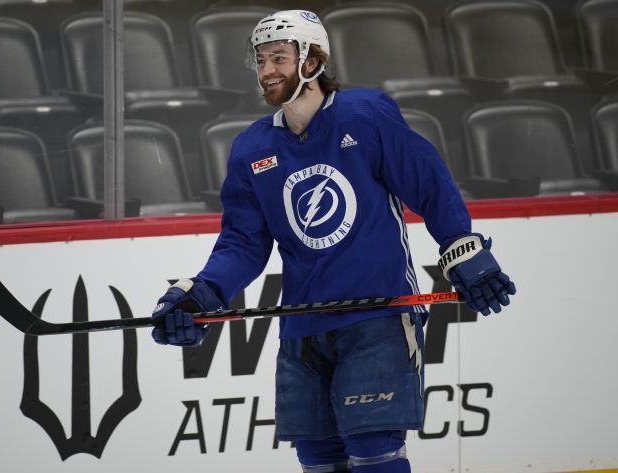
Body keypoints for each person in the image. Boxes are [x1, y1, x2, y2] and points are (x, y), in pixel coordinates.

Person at [151, 9, 516, 473]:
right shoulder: (251, 149)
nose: (266, 71)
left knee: (374, 453)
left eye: (279, 58)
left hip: (378, 317)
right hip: (303, 329)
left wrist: (461, 246)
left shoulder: (365, 115)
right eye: (260, 60)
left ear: (313, 59)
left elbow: (428, 183)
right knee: (320, 461)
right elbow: (243, 243)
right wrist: (201, 293)